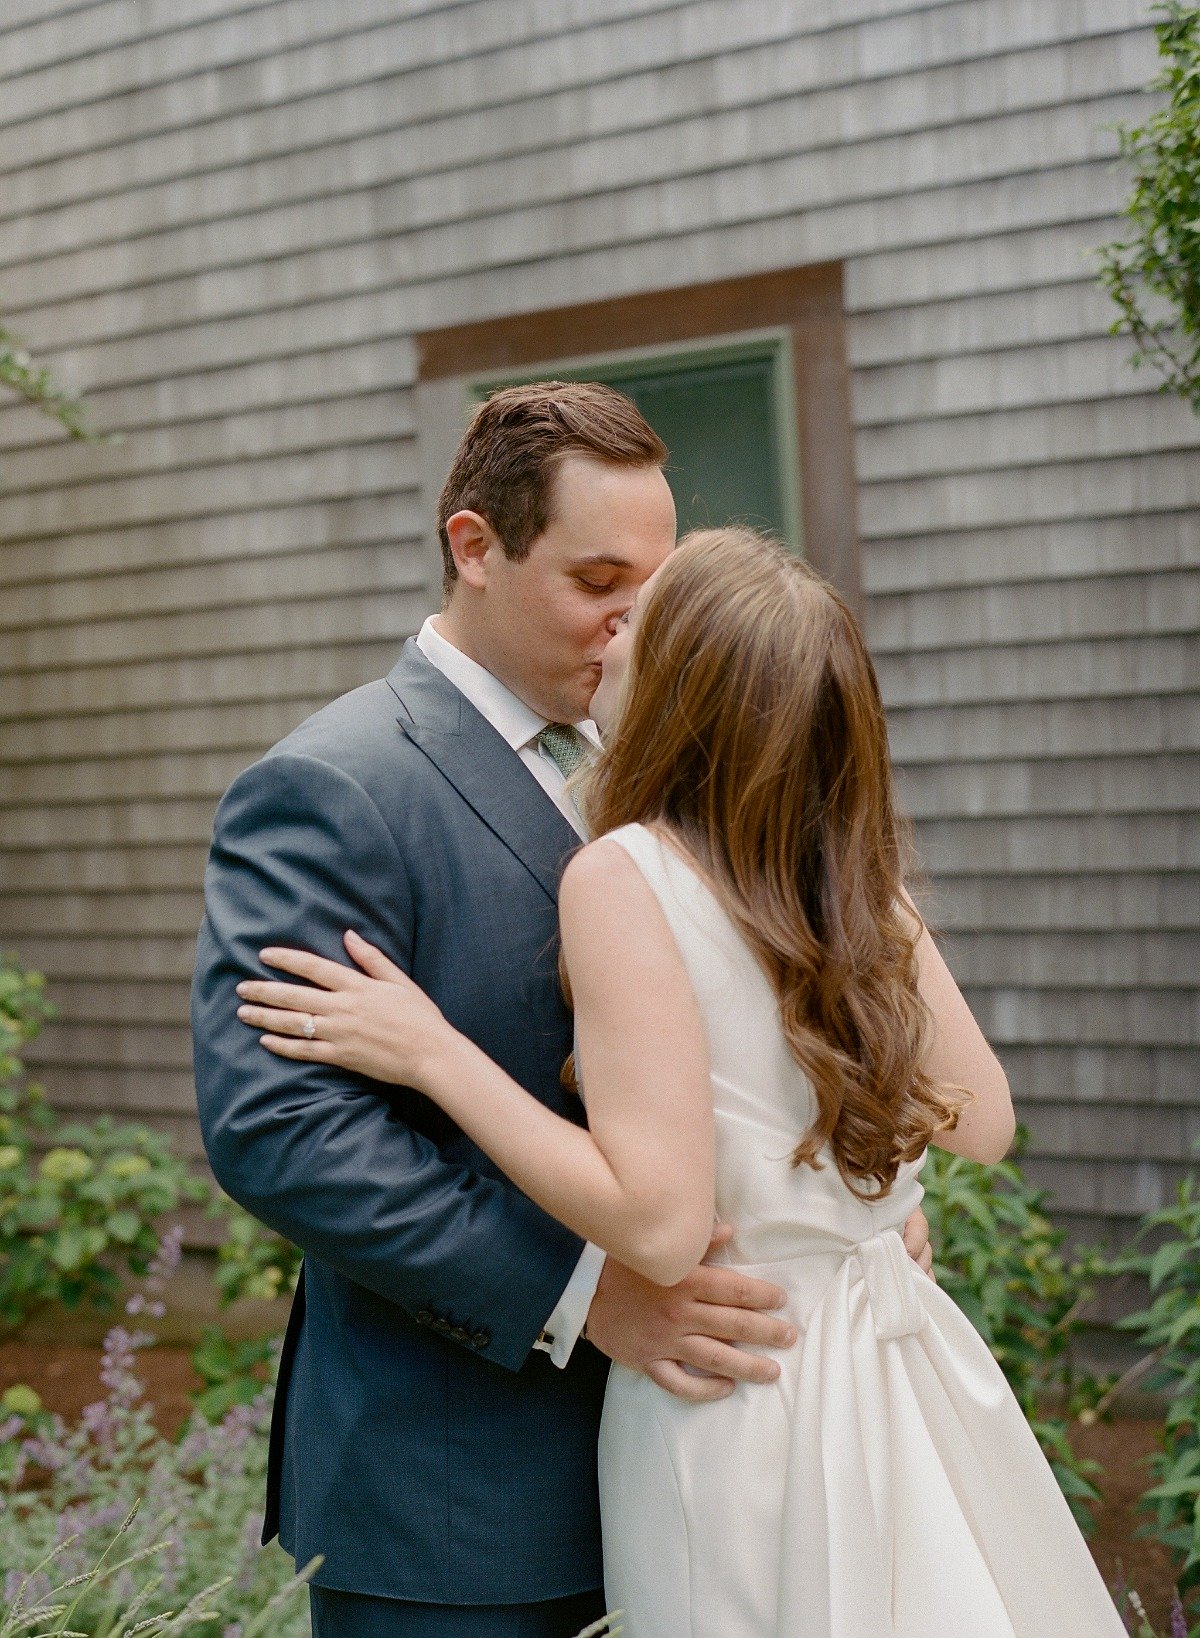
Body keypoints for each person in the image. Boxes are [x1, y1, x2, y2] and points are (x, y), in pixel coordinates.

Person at [237, 526, 1128, 1637]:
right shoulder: (847, 872)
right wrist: (861, 1207)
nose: (614, 631)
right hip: (894, 1373)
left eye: (640, 616)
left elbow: (658, 1231)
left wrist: (431, 1054)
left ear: (684, 685)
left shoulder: (625, 872)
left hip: (741, 1397)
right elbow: (983, 1121)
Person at [192, 382, 937, 1638]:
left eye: (655, 587)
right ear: (474, 549)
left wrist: (856, 1204)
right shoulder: (333, 786)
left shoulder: (673, 766)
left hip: (723, 1467)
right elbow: (282, 1132)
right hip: (464, 1506)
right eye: (598, 581)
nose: (633, 622)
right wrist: (589, 1296)